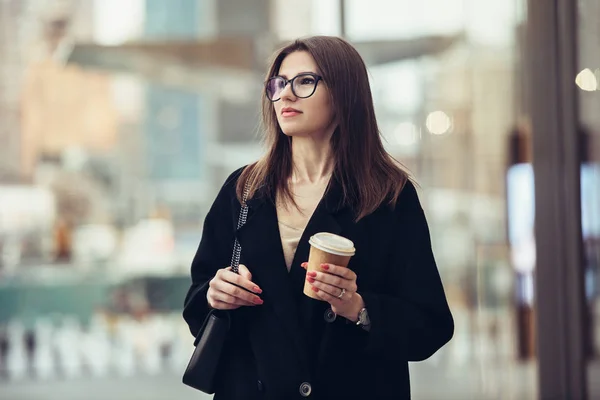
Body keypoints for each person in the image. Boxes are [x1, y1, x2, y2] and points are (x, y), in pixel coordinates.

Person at [183, 35, 454, 400]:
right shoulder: (244, 189)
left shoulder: (388, 195)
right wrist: (217, 294)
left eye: (305, 82)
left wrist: (358, 307)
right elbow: (196, 302)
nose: (286, 95)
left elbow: (431, 324)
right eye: (278, 84)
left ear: (344, 93)